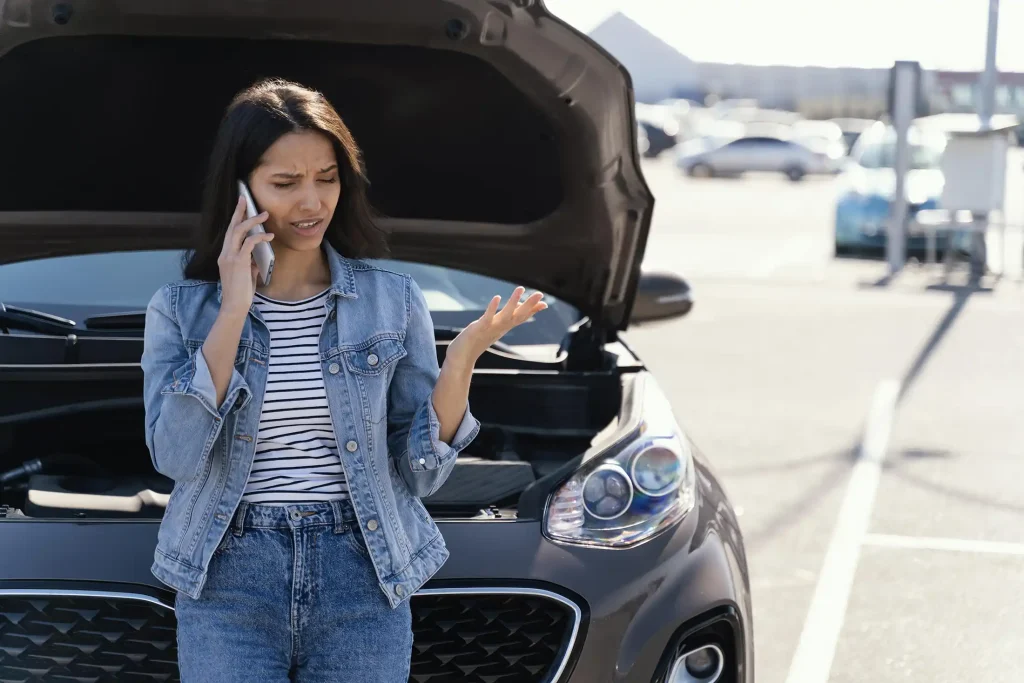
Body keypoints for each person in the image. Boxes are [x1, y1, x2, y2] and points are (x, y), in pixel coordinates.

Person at [140, 78, 546, 683]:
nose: (312, 202)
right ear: (240, 190)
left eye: (327, 177)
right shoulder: (179, 310)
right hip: (228, 575)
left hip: (363, 570)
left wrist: (459, 360)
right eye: (285, 183)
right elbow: (174, 456)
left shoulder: (394, 301)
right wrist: (233, 309)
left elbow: (422, 474)